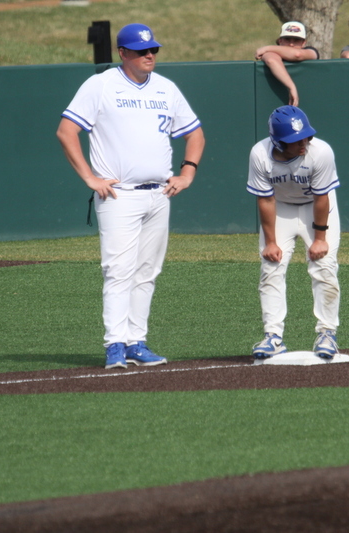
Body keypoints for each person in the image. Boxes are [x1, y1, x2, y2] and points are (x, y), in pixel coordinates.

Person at [56, 23, 205, 370]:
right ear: (122, 54)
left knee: (147, 272)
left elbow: (195, 134)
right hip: (119, 195)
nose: (149, 55)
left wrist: (188, 173)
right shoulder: (101, 84)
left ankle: (137, 341)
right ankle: (114, 345)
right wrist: (89, 178)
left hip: (159, 194)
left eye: (153, 49)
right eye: (141, 51)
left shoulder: (166, 88)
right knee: (118, 271)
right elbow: (66, 131)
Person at [246, 105, 341, 361]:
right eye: (295, 140)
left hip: (316, 208)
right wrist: (271, 242)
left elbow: (322, 198)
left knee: (324, 266)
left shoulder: (320, 152)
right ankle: (273, 337)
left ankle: (327, 333)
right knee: (271, 267)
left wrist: (320, 238)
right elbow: (265, 200)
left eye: (305, 137)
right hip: (281, 208)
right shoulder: (260, 154)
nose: (303, 144)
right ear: (277, 142)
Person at [255, 21, 319, 106]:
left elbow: (297, 54)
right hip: (275, 100)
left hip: (312, 99)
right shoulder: (271, 53)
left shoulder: (311, 51)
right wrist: (291, 87)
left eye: (296, 40)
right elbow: (271, 60)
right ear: (280, 41)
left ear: (304, 43)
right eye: (287, 39)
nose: (291, 44)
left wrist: (267, 48)